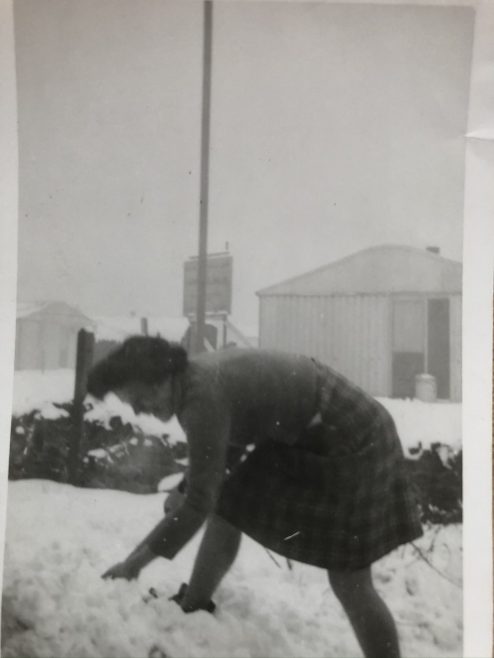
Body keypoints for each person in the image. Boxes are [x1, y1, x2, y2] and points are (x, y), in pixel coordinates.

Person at [87, 336, 423, 658]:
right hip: (311, 429)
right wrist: (185, 487)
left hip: (354, 434)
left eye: (139, 399)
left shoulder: (201, 398)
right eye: (131, 404)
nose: (138, 410)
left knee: (350, 580)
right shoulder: (192, 380)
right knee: (229, 504)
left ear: (160, 380)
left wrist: (133, 565)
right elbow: (220, 451)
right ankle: (193, 606)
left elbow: (199, 503)